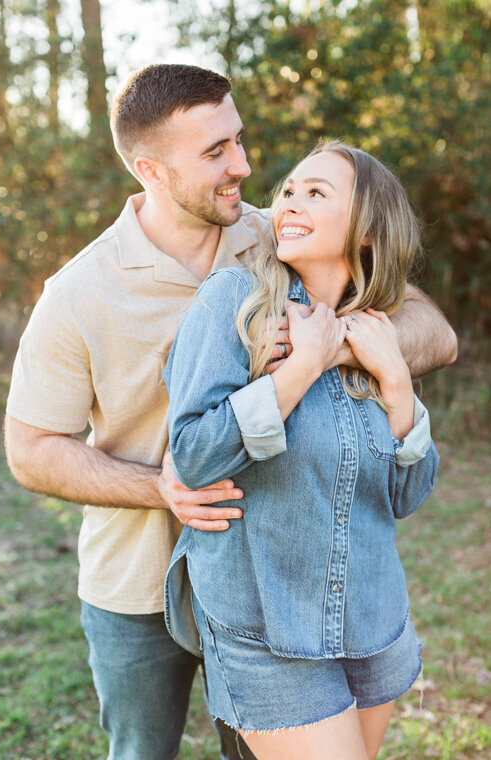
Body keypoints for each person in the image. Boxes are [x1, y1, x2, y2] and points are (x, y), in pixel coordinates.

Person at [4, 63, 455, 760]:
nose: (242, 166)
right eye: (215, 152)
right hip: (138, 584)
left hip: (275, 574)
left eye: (238, 141)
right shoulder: (78, 293)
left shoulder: (278, 236)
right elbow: (30, 448)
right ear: (150, 169)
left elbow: (422, 320)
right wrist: (162, 486)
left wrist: (340, 352)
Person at [164, 140, 442, 760]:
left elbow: (406, 495)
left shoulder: (377, 331)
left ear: (368, 231)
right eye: (289, 189)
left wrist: (396, 384)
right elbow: (193, 453)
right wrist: (298, 371)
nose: (288, 202)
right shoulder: (231, 304)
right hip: (265, 625)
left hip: (370, 620)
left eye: (317, 193)